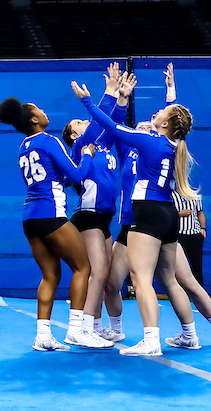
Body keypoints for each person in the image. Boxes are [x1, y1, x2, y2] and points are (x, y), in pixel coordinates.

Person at [74, 79, 199, 356]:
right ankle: (189, 333)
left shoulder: (150, 141)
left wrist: (88, 102)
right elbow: (173, 119)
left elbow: (111, 126)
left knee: (141, 278)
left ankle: (152, 340)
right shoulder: (171, 144)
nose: (154, 116)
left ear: (164, 124)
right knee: (167, 278)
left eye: (159, 115)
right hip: (164, 213)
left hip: (147, 213)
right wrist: (169, 96)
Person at [0, 95, 111, 351]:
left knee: (50, 276)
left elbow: (56, 179)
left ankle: (43, 335)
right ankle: (75, 330)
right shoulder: (49, 141)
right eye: (41, 108)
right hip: (51, 214)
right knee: (83, 267)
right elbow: (79, 174)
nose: (46, 112)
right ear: (35, 119)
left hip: (30, 218)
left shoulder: (23, 147)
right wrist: (87, 154)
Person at [61, 64, 130, 340]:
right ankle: (83, 329)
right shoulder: (80, 148)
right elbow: (99, 123)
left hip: (104, 218)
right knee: (98, 271)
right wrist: (108, 92)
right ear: (74, 135)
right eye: (78, 123)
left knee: (107, 276)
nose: (83, 121)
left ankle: (100, 326)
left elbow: (113, 126)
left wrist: (121, 98)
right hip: (88, 216)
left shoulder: (102, 146)